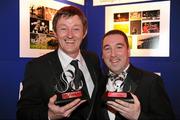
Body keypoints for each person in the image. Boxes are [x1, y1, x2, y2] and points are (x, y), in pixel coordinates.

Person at [17, 6, 102, 120]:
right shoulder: (37, 67)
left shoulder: (93, 59)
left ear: (84, 32)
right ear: (55, 33)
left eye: (76, 29)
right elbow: (23, 113)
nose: (70, 35)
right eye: (63, 29)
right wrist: (50, 115)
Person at [97, 29, 175, 120]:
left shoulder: (151, 81)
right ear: (102, 55)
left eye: (119, 47)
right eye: (107, 49)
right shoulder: (98, 83)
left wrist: (138, 116)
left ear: (128, 51)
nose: (113, 54)